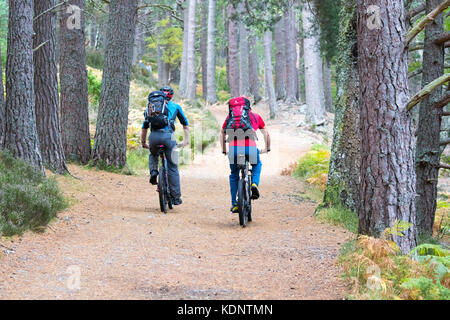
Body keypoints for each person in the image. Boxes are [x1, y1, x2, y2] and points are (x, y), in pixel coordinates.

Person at [220, 96, 271, 213]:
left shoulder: (230, 117)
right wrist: (267, 148)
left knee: (234, 174)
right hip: (251, 149)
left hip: (234, 151)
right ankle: (254, 184)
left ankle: (235, 203)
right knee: (257, 165)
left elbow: (222, 132)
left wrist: (224, 149)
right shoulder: (256, 117)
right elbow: (266, 134)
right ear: (248, 107)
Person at [141, 87, 190, 205]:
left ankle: (153, 172)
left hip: (153, 137)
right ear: (171, 96)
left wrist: (143, 142)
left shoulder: (151, 107)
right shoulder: (176, 107)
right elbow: (185, 125)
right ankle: (176, 197)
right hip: (169, 138)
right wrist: (186, 141)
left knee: (153, 154)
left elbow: (145, 127)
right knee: (173, 167)